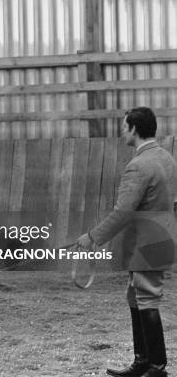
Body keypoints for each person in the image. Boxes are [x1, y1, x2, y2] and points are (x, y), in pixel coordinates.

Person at [77, 107, 176, 377]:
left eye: (124, 126)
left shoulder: (138, 165)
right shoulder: (166, 158)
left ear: (134, 129)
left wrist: (93, 237)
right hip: (160, 236)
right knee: (136, 297)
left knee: (146, 300)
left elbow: (123, 212)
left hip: (146, 241)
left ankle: (156, 367)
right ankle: (142, 361)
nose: (122, 131)